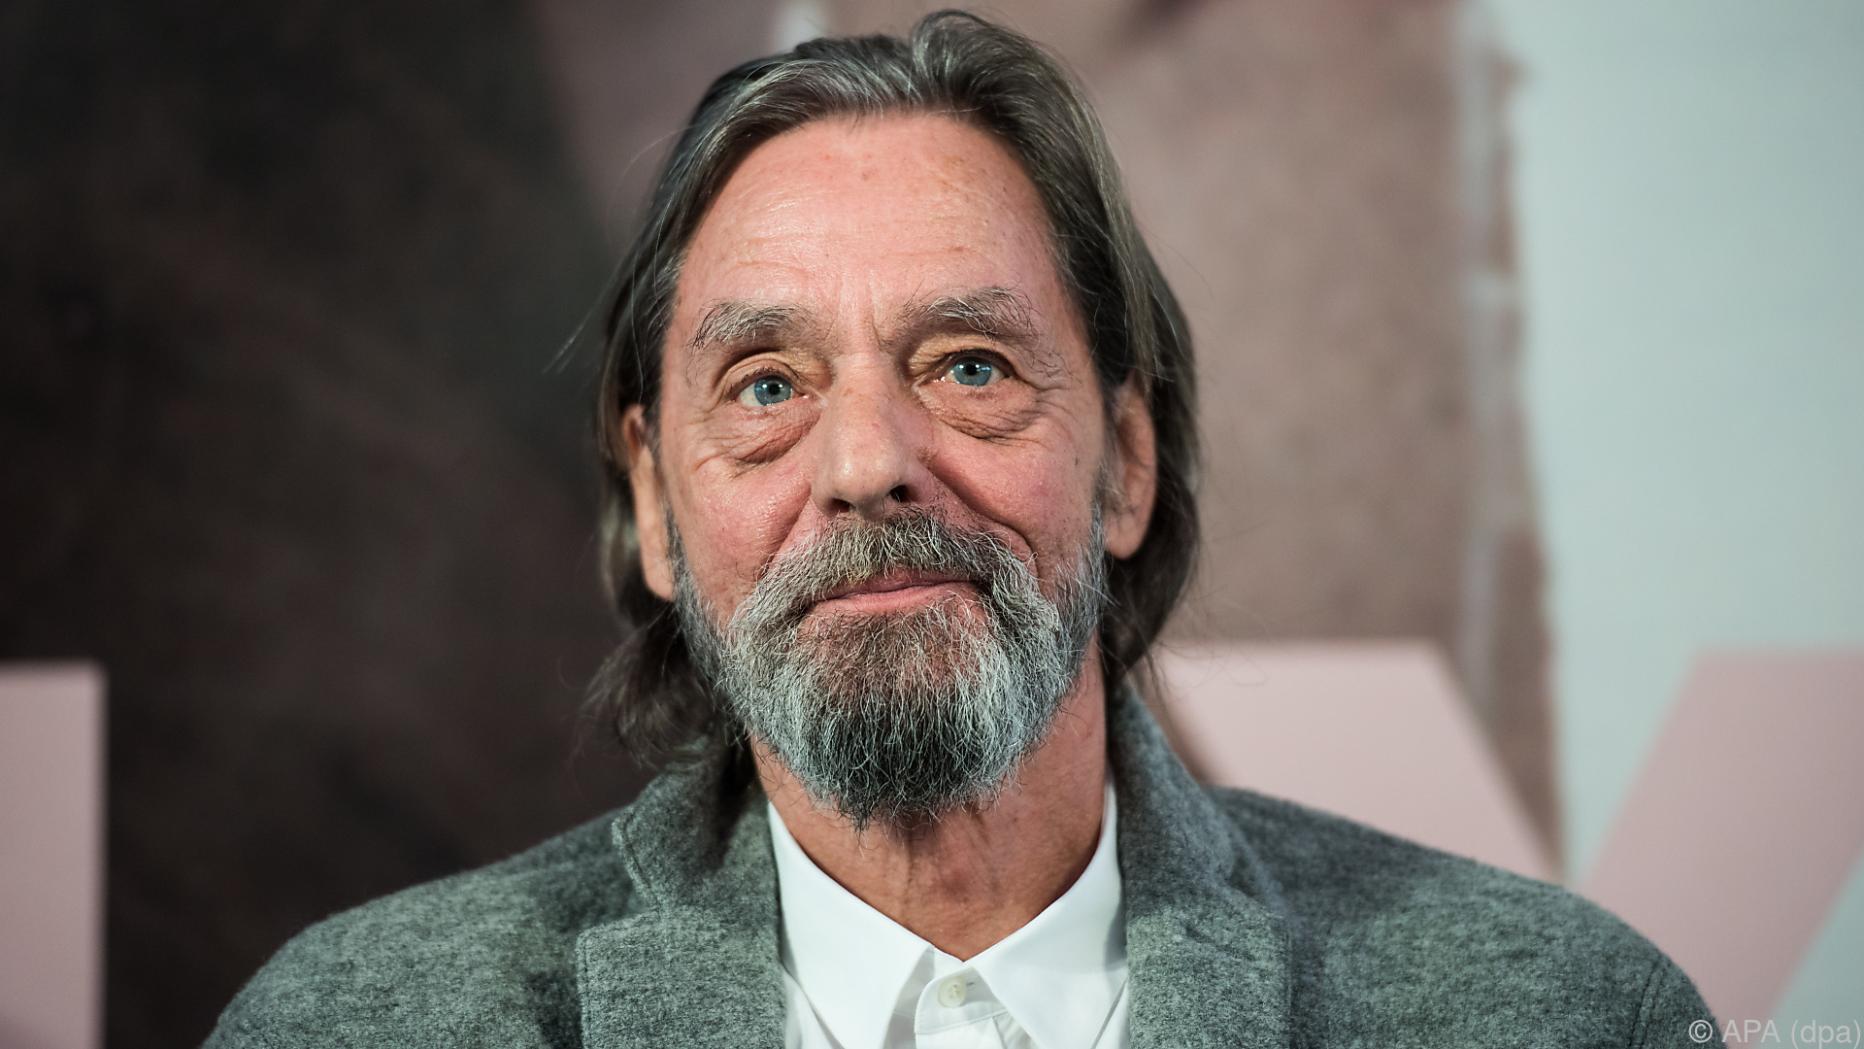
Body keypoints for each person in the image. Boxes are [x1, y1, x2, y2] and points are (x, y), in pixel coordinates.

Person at [207, 12, 1719, 1048]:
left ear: (1126, 464)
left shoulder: (1560, 1014)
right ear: (658, 503)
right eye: (768, 384)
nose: (870, 463)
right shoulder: (358, 1025)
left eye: (971, 366)